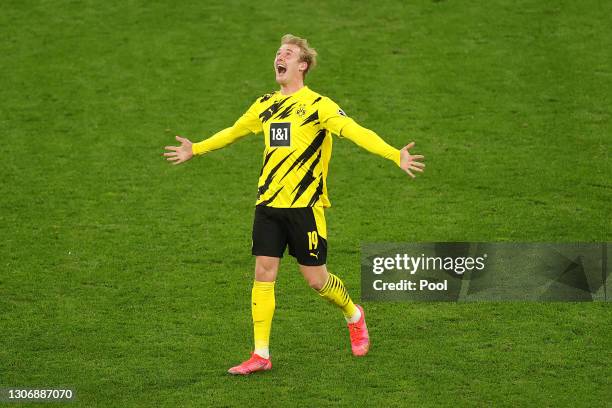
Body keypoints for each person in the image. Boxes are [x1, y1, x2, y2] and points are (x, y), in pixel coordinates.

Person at [164, 34, 425, 375]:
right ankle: (261, 354)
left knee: (317, 281)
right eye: (278, 52)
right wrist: (195, 148)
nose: (280, 56)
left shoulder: (319, 106)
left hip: (305, 209)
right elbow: (234, 131)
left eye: (288, 53)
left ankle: (353, 314)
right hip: (269, 205)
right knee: (263, 272)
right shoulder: (265, 105)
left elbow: (355, 131)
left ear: (302, 65)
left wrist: (395, 154)